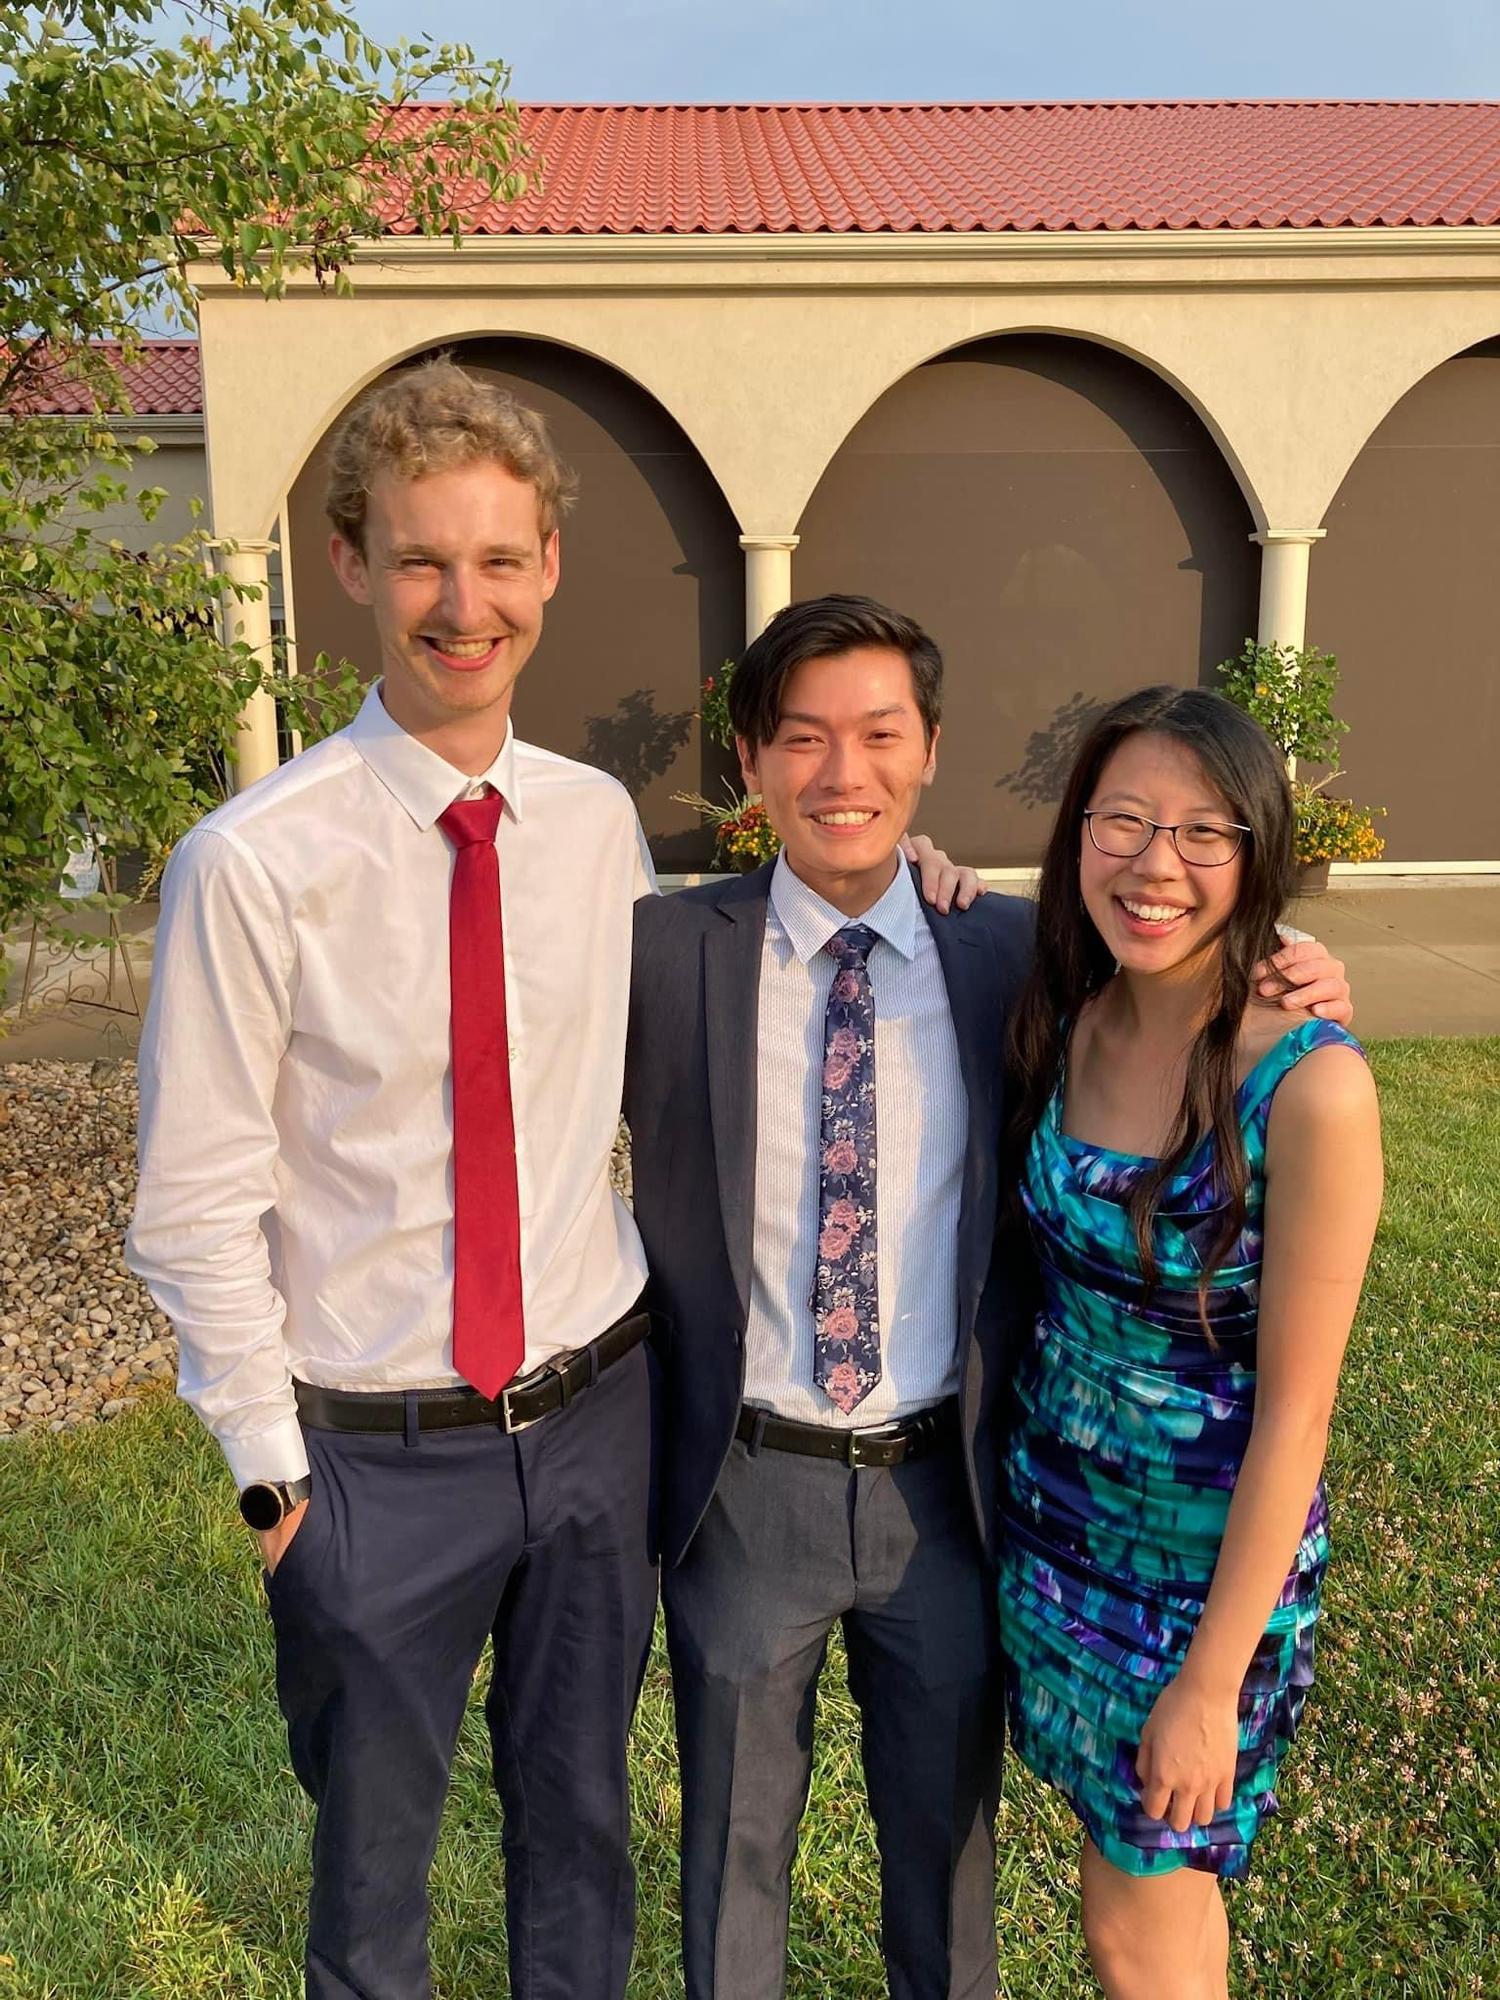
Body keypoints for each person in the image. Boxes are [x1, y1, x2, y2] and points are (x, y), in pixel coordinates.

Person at [124, 367, 967, 1999]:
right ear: (356, 565)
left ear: (549, 574)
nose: (465, 605)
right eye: (425, 561)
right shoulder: (253, 864)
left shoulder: (592, 829)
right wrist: (269, 1482)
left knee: (581, 1833)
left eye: (501, 561)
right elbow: (191, 1202)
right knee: (373, 1879)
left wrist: (914, 877)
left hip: (597, 1431)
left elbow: (760, 958)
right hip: (375, 1461)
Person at [623, 601, 1355, 2000]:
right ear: (751, 761)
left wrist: (1310, 969)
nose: (846, 773)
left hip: (951, 1497)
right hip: (745, 1484)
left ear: (931, 752)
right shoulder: (667, 957)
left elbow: (1205, 986)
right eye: (805, 739)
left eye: (881, 736)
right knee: (730, 1860)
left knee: (946, 1870)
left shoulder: (1011, 957)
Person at [996, 685, 1383, 2000]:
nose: (1156, 863)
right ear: (1077, 833)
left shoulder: (1309, 1086)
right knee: (1130, 1905)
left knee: (1138, 1925)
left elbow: (1299, 1416)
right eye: (1124, 820)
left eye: (1204, 831)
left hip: (1198, 1588)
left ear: (1258, 849)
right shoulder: (1074, 1015)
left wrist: (1212, 1683)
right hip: (1056, 1542)